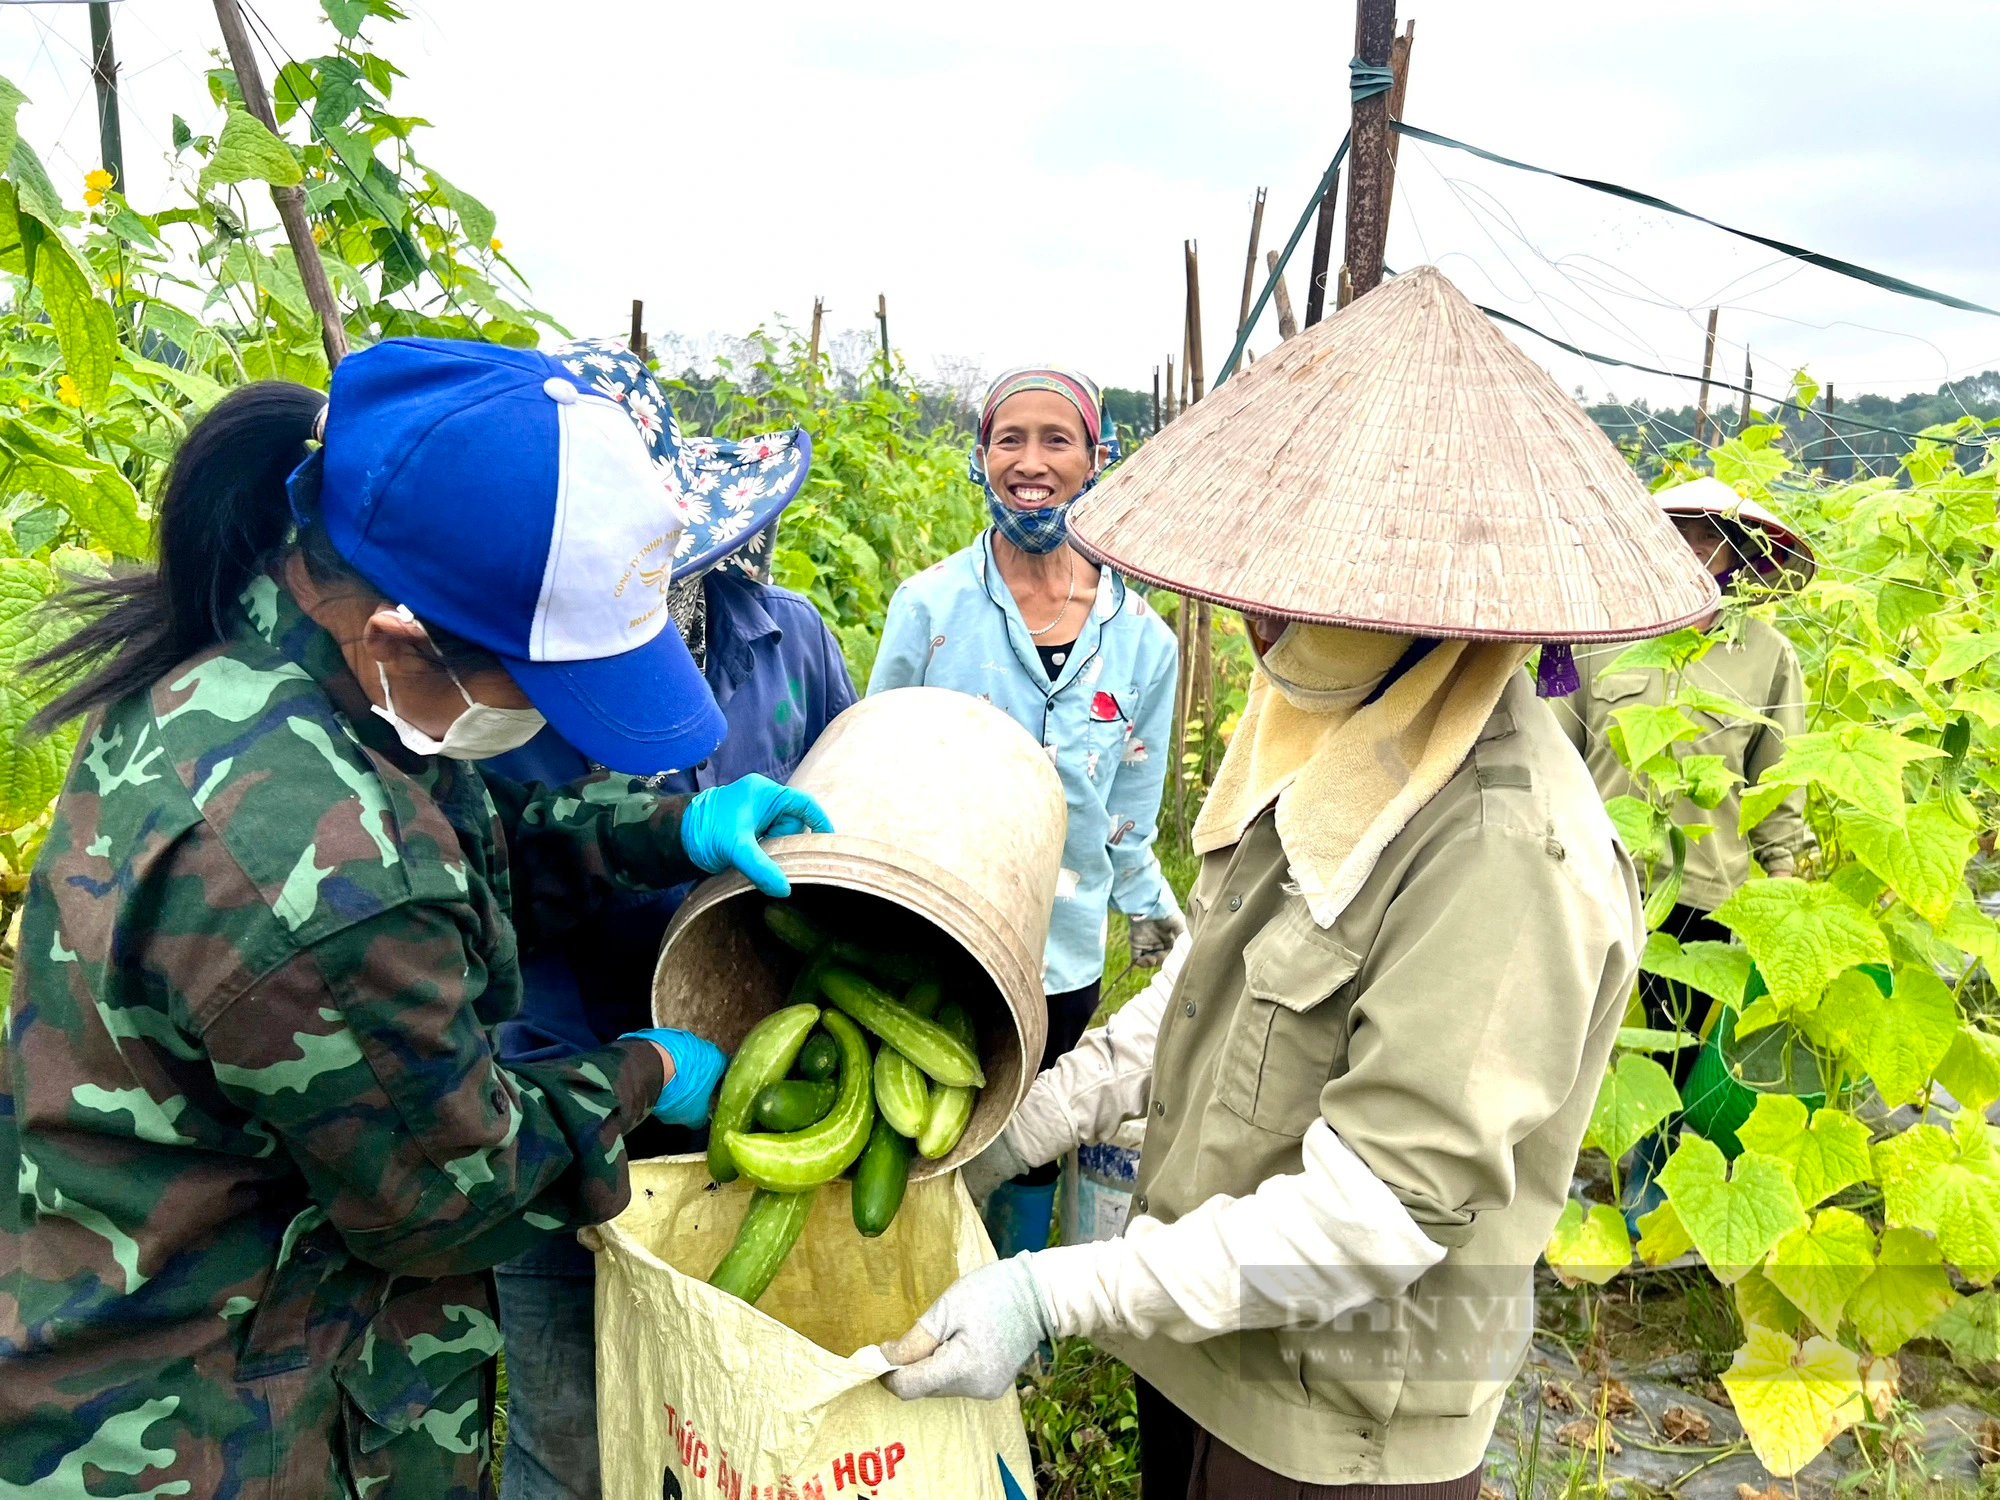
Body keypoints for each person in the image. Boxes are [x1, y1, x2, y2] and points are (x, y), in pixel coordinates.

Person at [870, 266, 1717, 1496]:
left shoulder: (1501, 852)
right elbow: (1220, 980)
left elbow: (1377, 1214)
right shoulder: (1352, 732)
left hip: (1338, 1420)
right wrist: (1044, 1117)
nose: (1259, 626)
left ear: (1416, 603)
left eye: (1292, 595)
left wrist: (1053, 1288)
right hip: (1208, 1344)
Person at [0, 340, 831, 1499]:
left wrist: (664, 833)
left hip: (164, 1315)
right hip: (217, 1426)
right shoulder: (313, 860)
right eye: (534, 689)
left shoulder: (269, 659)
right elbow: (448, 1199)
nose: (545, 720)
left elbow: (460, 845)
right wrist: (643, 1074)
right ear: (401, 638)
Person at [484, 338, 856, 1500]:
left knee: (729, 1424)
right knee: (571, 1441)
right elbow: (477, 881)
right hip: (551, 1110)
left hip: (748, 1094)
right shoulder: (501, 677)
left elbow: (853, 824)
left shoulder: (784, 638)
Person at [868, 364, 1183, 1256]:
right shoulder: (929, 607)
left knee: (1034, 1131)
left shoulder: (1142, 641)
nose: (1031, 462)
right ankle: (907, 1276)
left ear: (1097, 458)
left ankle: (1008, 1304)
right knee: (916, 1116)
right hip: (934, 924)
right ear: (982, 457)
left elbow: (1128, 809)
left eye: (1058, 440)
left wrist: (1152, 915)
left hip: (1062, 949)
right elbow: (880, 757)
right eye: (1011, 439)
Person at [1552, 475, 1814, 1225]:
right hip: (1593, 880)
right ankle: (1556, 1185)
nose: (1692, 549)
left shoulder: (1766, 656)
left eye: (1709, 536)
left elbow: (1778, 781)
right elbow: (1551, 752)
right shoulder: (1592, 637)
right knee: (1568, 1042)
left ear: (1736, 553)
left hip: (1705, 891)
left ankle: (1651, 1194)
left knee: (1674, 1054)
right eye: (1679, 531)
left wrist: (1785, 884)